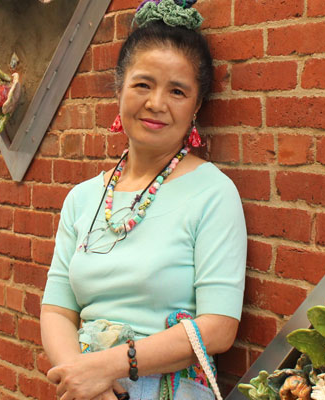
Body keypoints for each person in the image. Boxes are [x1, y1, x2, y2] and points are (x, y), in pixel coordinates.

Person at [40, 1, 247, 399]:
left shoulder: (212, 193)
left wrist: (107, 367)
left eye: (177, 91)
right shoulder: (82, 199)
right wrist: (83, 382)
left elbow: (219, 328)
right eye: (143, 84)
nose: (157, 103)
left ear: (196, 106)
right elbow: (56, 311)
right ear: (119, 88)